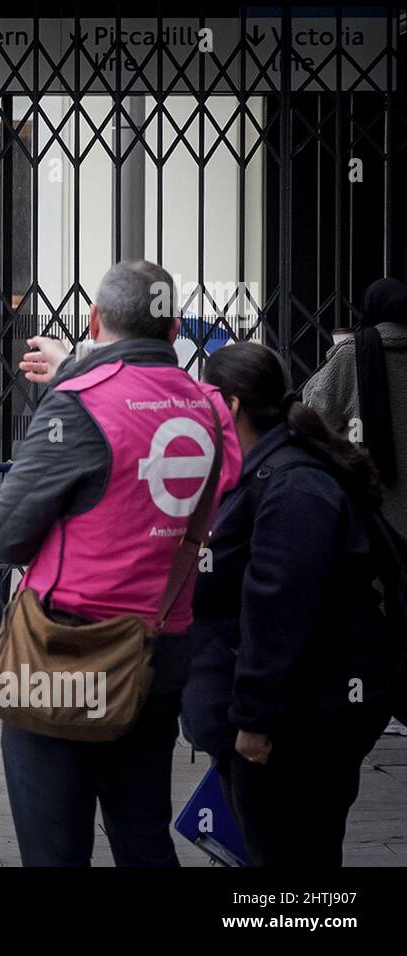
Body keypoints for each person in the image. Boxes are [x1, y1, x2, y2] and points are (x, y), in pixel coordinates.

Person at [0, 260, 242, 867]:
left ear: (93, 319)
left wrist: (77, 376)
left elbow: (3, 537)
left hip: (67, 654)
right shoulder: (210, 410)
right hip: (160, 650)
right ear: (176, 327)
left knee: (56, 847)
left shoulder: (76, 406)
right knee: (143, 831)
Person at [183, 342, 397, 866]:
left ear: (229, 405)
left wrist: (255, 720)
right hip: (299, 716)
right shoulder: (275, 467)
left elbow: (279, 609)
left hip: (298, 727)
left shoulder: (294, 485)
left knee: (292, 858)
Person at [303, 278, 407, 736]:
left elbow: (314, 408)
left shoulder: (354, 355)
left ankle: (385, 693)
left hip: (377, 505)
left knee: (381, 605)